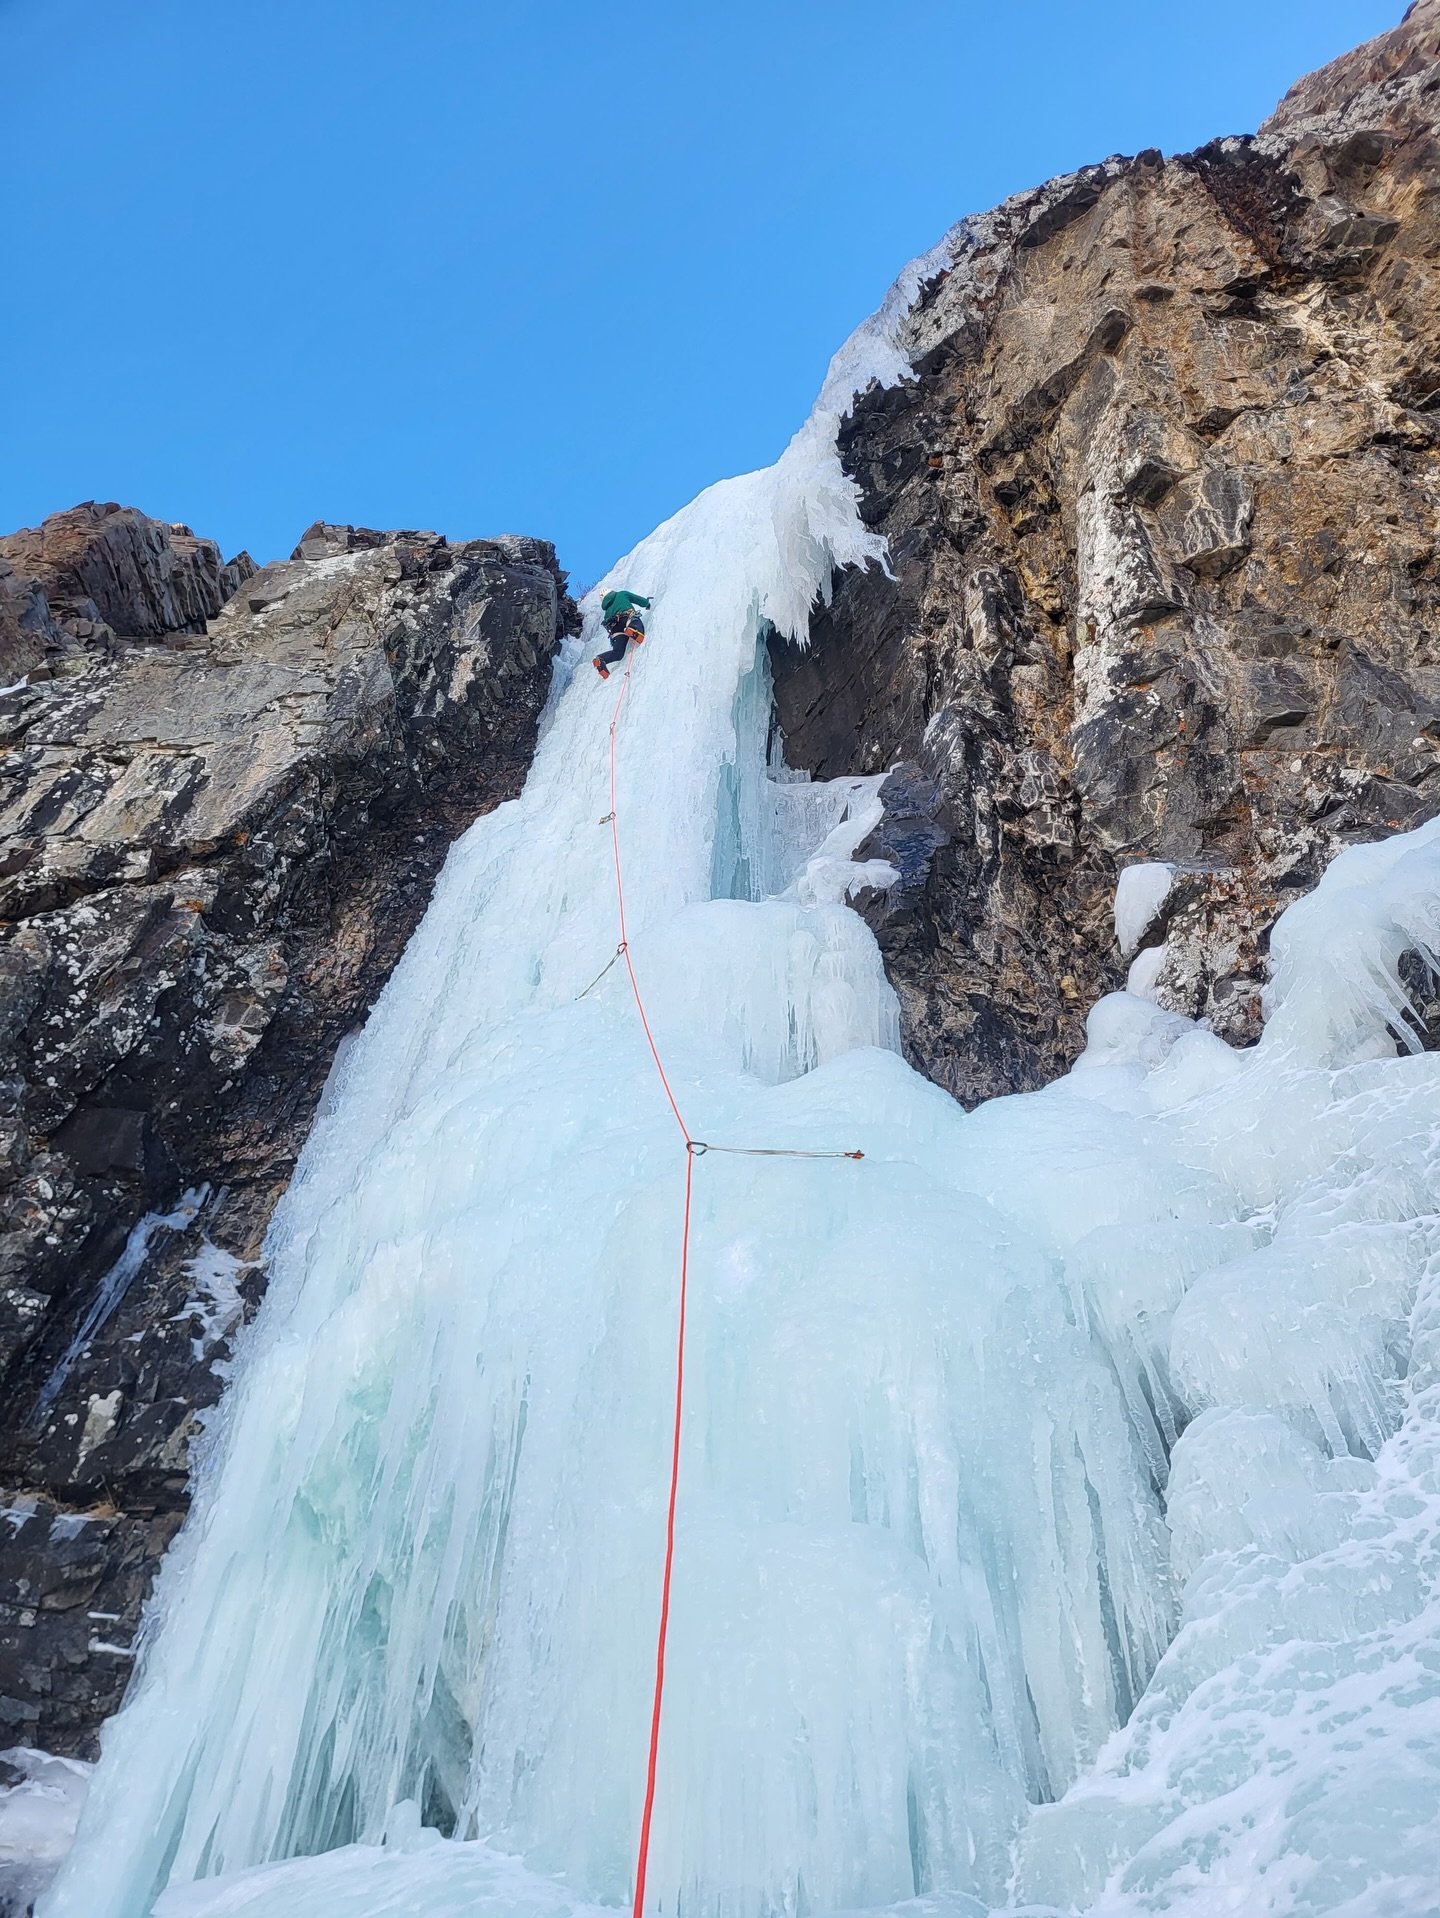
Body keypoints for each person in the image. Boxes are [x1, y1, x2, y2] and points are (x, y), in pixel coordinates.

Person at [592, 589, 651, 679]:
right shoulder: (622, 594)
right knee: (635, 620)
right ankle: (633, 629)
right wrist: (646, 603)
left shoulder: (606, 612)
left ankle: (601, 659)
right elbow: (637, 599)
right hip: (626, 617)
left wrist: (614, 642)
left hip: (615, 629)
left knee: (618, 653)